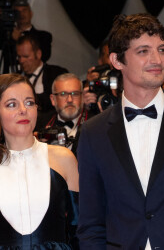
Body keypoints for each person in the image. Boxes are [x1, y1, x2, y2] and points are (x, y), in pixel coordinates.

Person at [77, 13, 164, 250]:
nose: (157, 59)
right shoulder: (93, 133)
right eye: (143, 51)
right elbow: (91, 223)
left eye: (161, 50)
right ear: (117, 60)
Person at [0, 73, 79, 249]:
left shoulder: (63, 159)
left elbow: (80, 229)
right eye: (11, 104)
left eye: (29, 102)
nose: (23, 110)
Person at [35, 73, 96, 156]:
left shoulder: (95, 125)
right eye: (63, 94)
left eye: (75, 94)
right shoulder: (39, 125)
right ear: (53, 99)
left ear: (82, 98)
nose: (70, 100)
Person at [16, 34, 68, 113]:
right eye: (19, 57)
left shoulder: (57, 74)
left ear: (38, 54)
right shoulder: (15, 78)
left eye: (26, 56)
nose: (21, 61)